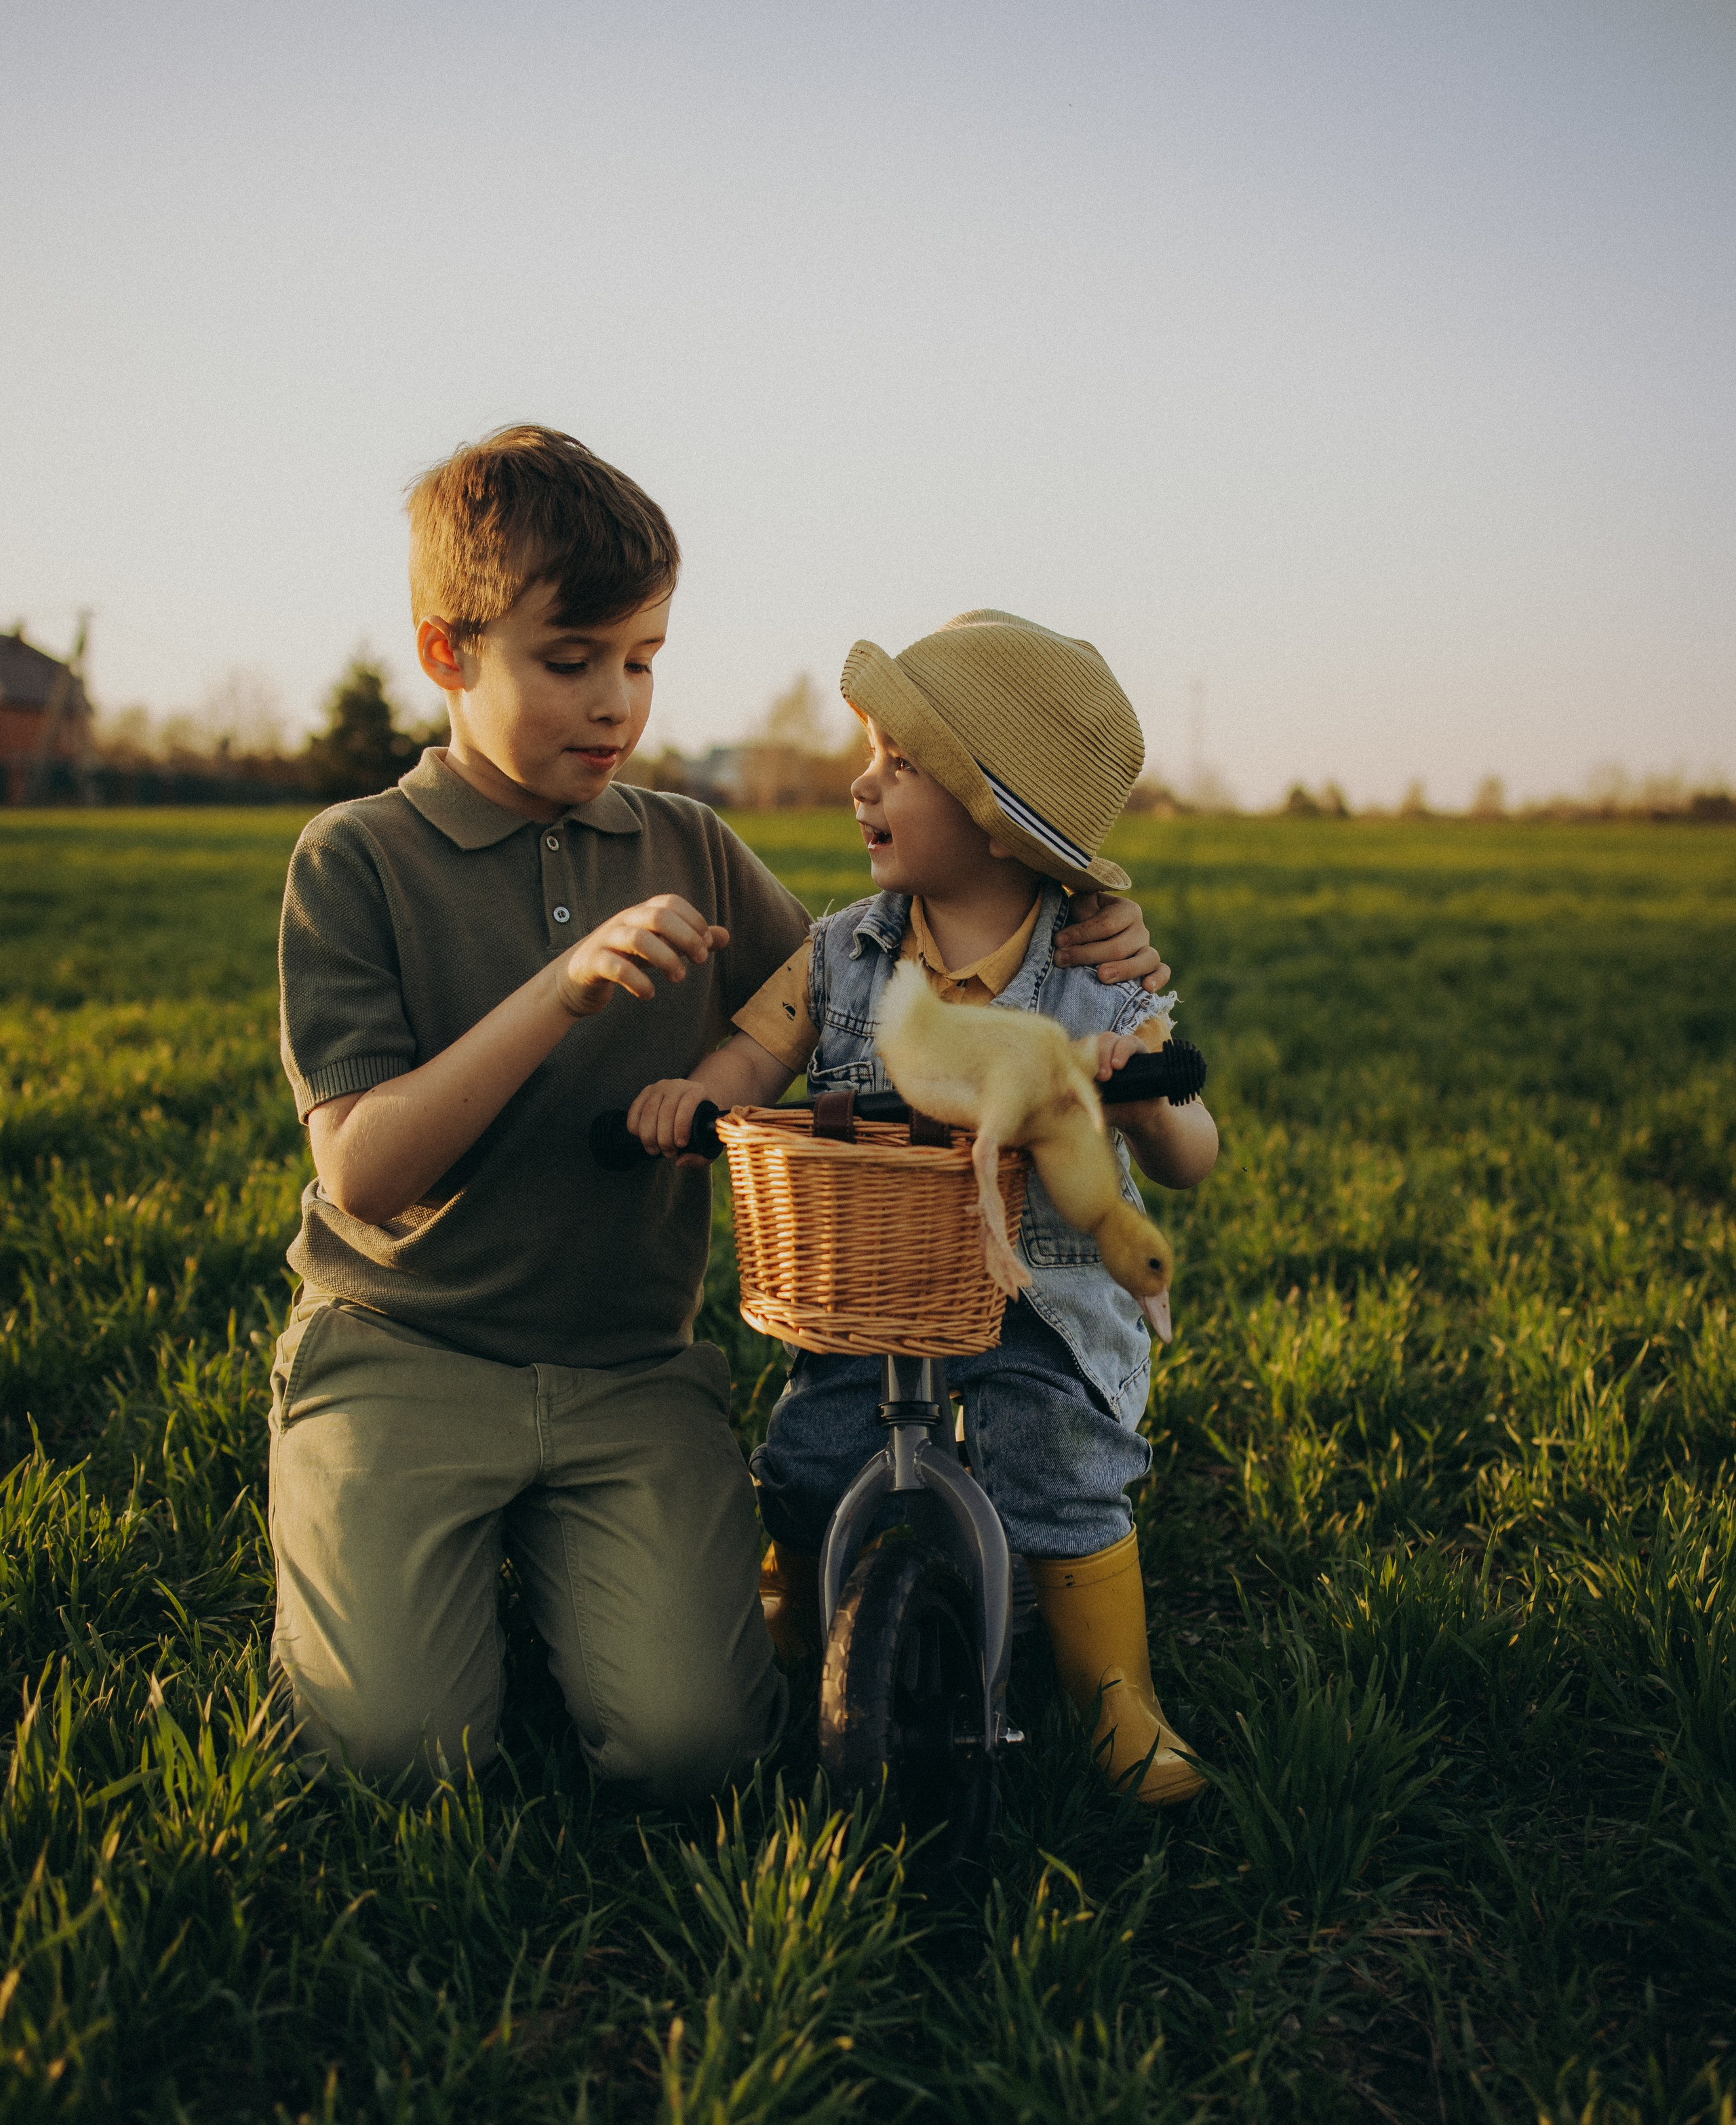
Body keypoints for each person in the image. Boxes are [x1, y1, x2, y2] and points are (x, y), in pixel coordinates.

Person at [271, 432, 1169, 1795]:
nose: (613, 703)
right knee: (400, 1759)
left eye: (642, 658)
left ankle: (568, 1573)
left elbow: (872, 985)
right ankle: (407, 1565)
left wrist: (1076, 923)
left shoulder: (687, 842)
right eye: (569, 661)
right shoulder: (357, 859)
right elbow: (367, 1176)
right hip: (408, 1354)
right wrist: (558, 993)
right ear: (446, 654)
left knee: (697, 1749)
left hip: (631, 1367)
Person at [629, 610, 1219, 1806]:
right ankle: (790, 1635)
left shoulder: (1095, 969)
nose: (862, 785)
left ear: (997, 817)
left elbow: (1194, 1154)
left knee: (1055, 1462)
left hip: (1036, 1306)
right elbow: (757, 1054)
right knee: (805, 1458)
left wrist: (1150, 1107)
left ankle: (1118, 1705)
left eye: (899, 767)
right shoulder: (844, 950)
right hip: (871, 1297)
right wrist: (694, 1104)